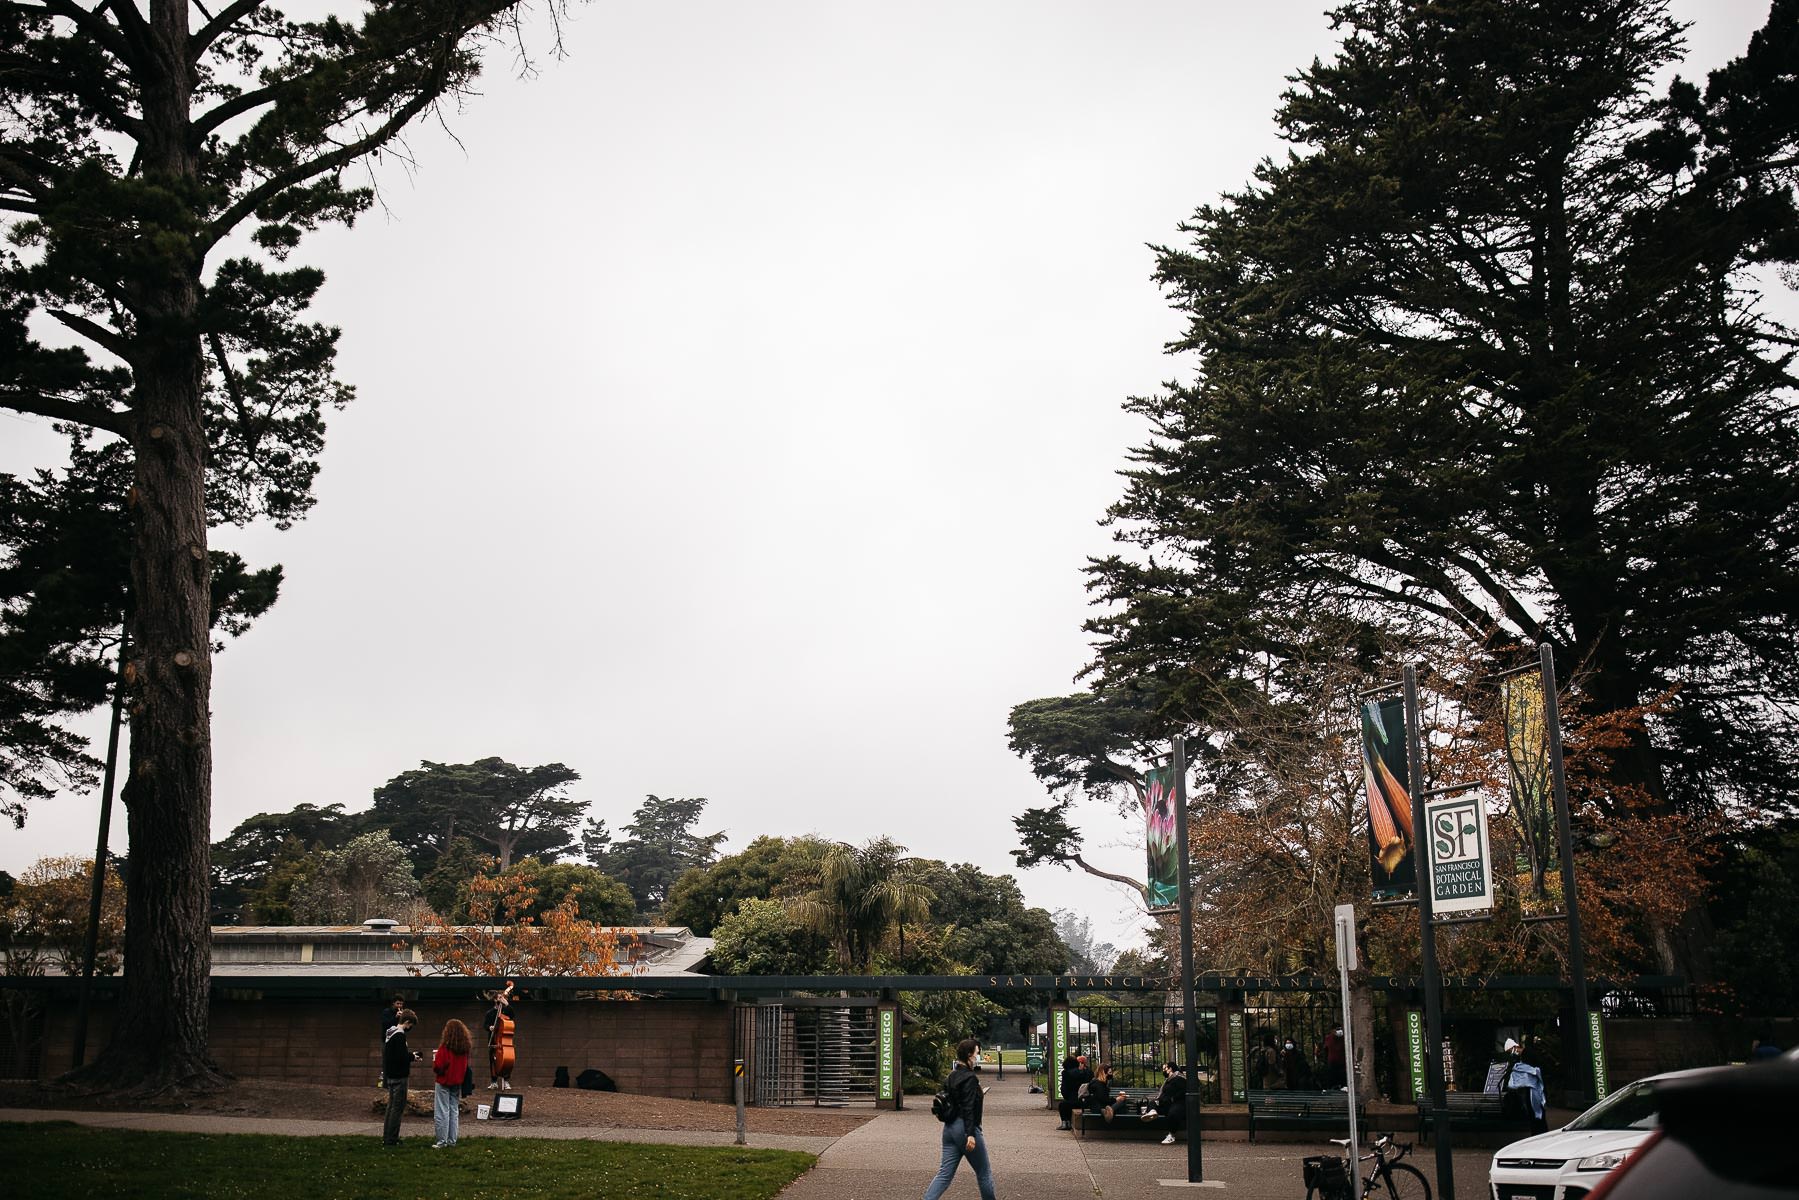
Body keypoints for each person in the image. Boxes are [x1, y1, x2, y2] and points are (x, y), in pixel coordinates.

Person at [923, 1038, 996, 1200]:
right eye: (977, 1053)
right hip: (965, 1128)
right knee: (984, 1173)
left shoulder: (952, 1076)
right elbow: (968, 1107)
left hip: (949, 1129)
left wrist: (978, 1094)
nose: (978, 1056)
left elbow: (953, 1099)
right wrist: (970, 1134)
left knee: (944, 1174)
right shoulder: (970, 1078)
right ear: (970, 1055)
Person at [381, 1008, 422, 1146]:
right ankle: (392, 1139)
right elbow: (401, 1057)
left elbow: (394, 1054)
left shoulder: (390, 1032)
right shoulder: (400, 1035)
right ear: (407, 1022)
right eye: (410, 1025)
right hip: (400, 1076)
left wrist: (410, 1055)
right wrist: (412, 1057)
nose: (410, 1028)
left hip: (390, 1075)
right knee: (397, 1109)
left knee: (391, 1107)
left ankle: (387, 1136)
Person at [431, 1018, 473, 1149]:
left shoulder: (445, 1048)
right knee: (454, 1111)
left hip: (444, 1081)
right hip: (457, 1081)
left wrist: (434, 1061)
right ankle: (452, 1140)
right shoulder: (465, 1048)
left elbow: (438, 1066)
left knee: (442, 1111)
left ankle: (441, 1141)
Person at [1500, 1038, 1548, 1134]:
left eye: (1511, 1051)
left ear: (1515, 1047)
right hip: (1529, 1088)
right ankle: (1538, 1131)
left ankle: (1540, 1132)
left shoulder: (1528, 1054)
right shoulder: (1521, 1057)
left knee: (1536, 1110)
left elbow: (1533, 1070)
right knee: (1533, 1111)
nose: (1512, 1053)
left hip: (1535, 1088)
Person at [1138, 1059, 1187, 1144]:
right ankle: (1152, 1112)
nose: (1163, 1070)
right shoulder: (1167, 1081)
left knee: (1173, 1114)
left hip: (1176, 1103)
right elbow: (1163, 1094)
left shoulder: (1180, 1078)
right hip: (1166, 1103)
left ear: (1170, 1069)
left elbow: (1183, 1092)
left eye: (1165, 1068)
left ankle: (1171, 1135)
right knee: (1153, 1102)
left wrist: (1172, 1099)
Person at [484, 988, 517, 1090]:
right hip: (494, 1040)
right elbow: (485, 1025)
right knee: (493, 1061)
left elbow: (512, 1015)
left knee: (507, 1061)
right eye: (499, 997)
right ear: (495, 1000)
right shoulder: (490, 1013)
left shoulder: (506, 1010)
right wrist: (490, 1027)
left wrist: (507, 1004)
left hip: (504, 1041)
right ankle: (494, 1081)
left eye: (502, 997)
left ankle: (506, 1081)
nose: (501, 998)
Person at [1056, 1054, 1091, 1130]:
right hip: (1086, 1100)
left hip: (1072, 1099)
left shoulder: (1066, 1073)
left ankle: (1065, 1122)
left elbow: (1064, 1090)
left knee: (1063, 1105)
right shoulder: (1088, 1072)